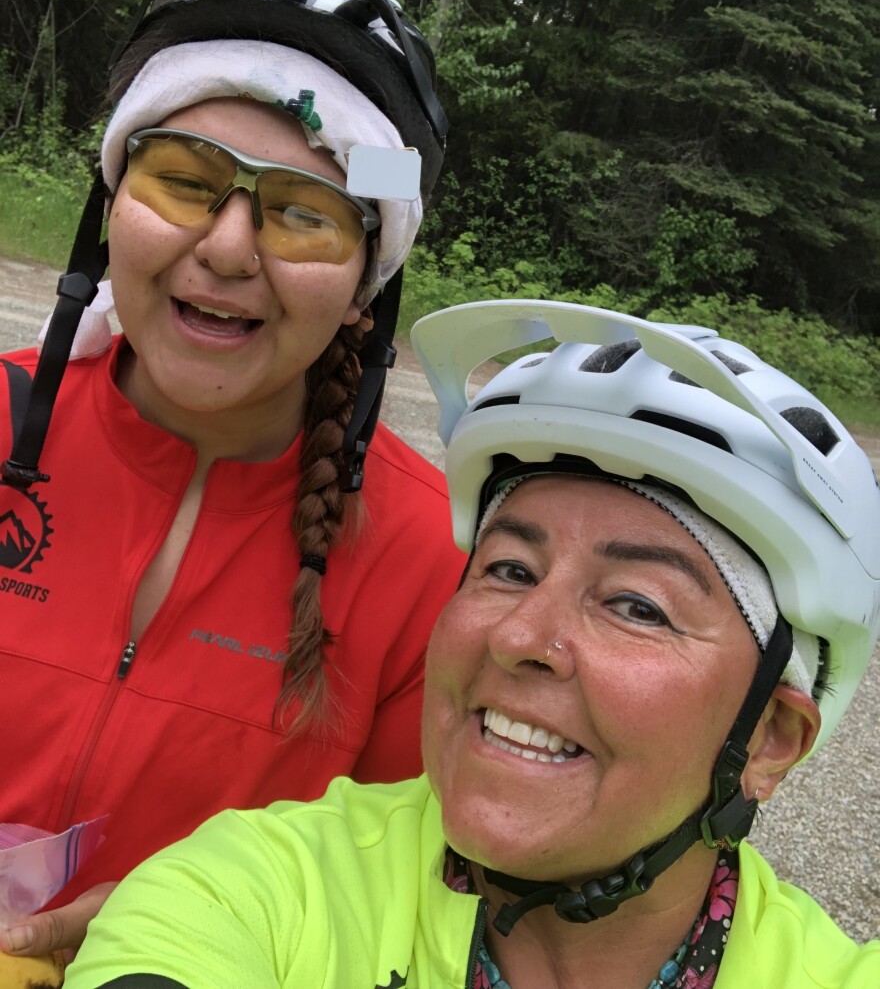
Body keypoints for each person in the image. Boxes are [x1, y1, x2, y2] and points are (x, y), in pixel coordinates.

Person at [64, 300, 880, 987]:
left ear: (771, 736)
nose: (521, 635)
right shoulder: (260, 889)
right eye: (509, 568)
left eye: (637, 605)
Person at [0, 0, 466, 959]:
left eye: (304, 214)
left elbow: (406, 908)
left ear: (363, 289)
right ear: (110, 204)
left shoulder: (430, 562)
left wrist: (187, 931)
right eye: (184, 179)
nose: (225, 247)